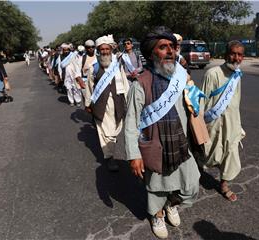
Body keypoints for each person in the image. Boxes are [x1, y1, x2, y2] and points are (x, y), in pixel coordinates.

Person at [125, 26, 200, 239]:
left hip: (180, 143)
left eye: (171, 47)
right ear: (151, 53)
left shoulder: (180, 76)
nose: (170, 51)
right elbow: (131, 123)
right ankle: (157, 214)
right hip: (155, 145)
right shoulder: (140, 84)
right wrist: (134, 155)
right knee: (156, 187)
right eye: (163, 47)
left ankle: (171, 204)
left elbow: (190, 105)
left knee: (191, 184)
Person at [200, 40, 246, 202]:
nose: (236, 58)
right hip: (213, 123)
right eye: (233, 53)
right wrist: (199, 124)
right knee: (209, 152)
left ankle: (224, 185)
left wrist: (238, 123)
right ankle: (195, 172)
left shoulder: (237, 75)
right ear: (226, 55)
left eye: (240, 55)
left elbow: (236, 100)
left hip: (232, 122)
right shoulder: (212, 73)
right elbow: (203, 100)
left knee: (231, 152)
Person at [89, 34, 129, 171]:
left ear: (110, 50)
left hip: (117, 102)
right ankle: (109, 157)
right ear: (98, 51)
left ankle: (110, 147)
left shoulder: (117, 66)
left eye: (107, 49)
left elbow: (125, 82)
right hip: (101, 105)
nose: (105, 52)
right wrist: (88, 104)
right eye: (102, 49)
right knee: (106, 132)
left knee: (116, 128)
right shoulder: (93, 68)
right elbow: (89, 87)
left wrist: (129, 100)